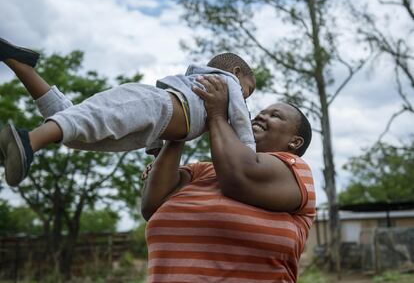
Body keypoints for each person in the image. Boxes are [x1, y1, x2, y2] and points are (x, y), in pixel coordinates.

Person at [0, 38, 256, 187]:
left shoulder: (203, 93)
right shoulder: (226, 84)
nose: (245, 98)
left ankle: (21, 66)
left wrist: (156, 156)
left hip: (154, 121)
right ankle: (29, 141)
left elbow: (167, 126)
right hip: (153, 103)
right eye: (248, 90)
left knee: (79, 131)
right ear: (235, 73)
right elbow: (241, 122)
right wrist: (250, 154)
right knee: (89, 120)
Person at [141, 75, 315, 282]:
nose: (260, 117)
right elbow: (152, 206)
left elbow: (238, 177)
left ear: (295, 142)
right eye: (260, 113)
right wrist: (186, 119)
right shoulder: (201, 171)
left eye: (275, 116)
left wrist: (217, 115)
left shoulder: (295, 171)